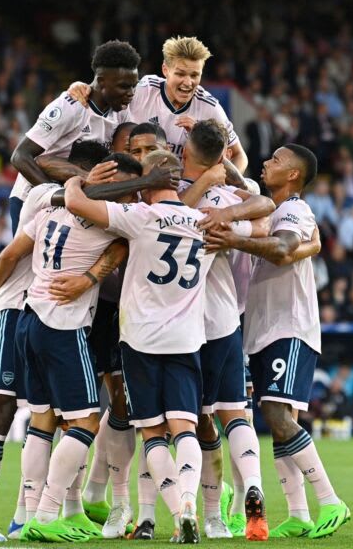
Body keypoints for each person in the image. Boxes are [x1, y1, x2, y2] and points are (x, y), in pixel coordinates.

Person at [65, 149, 249, 543]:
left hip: (141, 340)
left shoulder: (140, 218)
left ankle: (178, 509)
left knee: (152, 434)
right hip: (186, 339)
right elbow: (256, 209)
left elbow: (76, 202)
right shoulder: (201, 221)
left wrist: (75, 180)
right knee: (186, 427)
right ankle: (189, 500)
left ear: (147, 182)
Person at [0, 151, 159, 543]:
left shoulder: (48, 209)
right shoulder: (110, 223)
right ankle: (48, 515)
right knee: (85, 420)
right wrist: (87, 278)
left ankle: (28, 516)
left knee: (43, 419)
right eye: (128, 192)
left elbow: (8, 256)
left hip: (27, 316)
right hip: (62, 327)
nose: (133, 201)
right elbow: (122, 246)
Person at [204, 145, 350, 539]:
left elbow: (284, 249)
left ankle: (331, 501)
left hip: (289, 326)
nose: (267, 162)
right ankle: (299, 514)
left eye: (277, 160)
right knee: (277, 419)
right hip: (262, 330)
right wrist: (222, 165)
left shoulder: (294, 211)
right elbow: (300, 242)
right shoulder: (271, 207)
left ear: (293, 176)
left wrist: (232, 241)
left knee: (276, 416)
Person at [171, 120, 274, 540]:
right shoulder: (235, 198)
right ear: (224, 157)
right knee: (235, 412)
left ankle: (206, 514)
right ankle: (253, 487)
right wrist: (230, 230)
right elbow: (265, 217)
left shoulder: (172, 201)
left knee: (192, 422)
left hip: (180, 325)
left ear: (184, 154)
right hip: (225, 320)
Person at [8, 40, 141, 232]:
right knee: (25, 262)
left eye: (133, 87)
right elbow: (20, 156)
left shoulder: (121, 112)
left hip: (74, 196)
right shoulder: (70, 107)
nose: (130, 94)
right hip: (33, 197)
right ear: (101, 81)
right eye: (124, 87)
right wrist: (56, 195)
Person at [66, 36, 248, 173]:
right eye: (181, 74)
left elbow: (240, 156)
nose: (188, 82)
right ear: (165, 70)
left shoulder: (209, 107)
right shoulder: (144, 90)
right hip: (134, 180)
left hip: (182, 187)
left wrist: (222, 184)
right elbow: (108, 94)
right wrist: (82, 86)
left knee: (251, 187)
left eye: (194, 75)